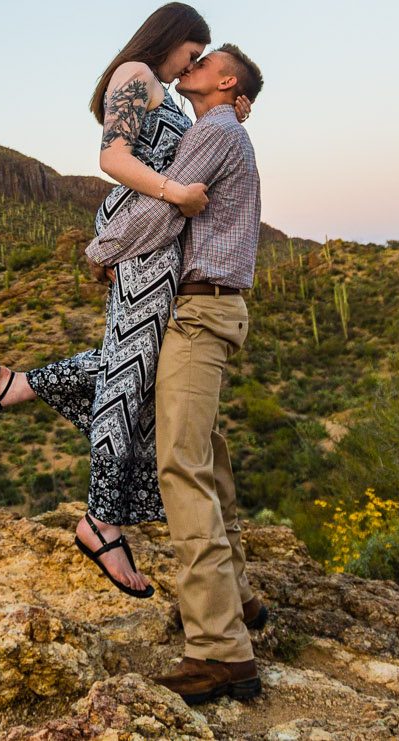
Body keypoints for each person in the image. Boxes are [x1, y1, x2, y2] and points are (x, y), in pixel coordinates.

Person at [0, 3, 245, 598]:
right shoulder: (133, 76)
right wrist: (175, 193)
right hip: (142, 236)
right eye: (194, 52)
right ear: (174, 37)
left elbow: (198, 149)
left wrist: (231, 111)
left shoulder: (164, 92)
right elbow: (111, 159)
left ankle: (19, 386)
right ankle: (101, 522)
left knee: (140, 370)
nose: (194, 63)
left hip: (160, 240)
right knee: (131, 374)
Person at [86, 42, 265, 706]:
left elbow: (163, 209)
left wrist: (101, 250)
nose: (186, 68)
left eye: (201, 61)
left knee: (182, 467)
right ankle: (238, 602)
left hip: (196, 314)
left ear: (223, 80)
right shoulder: (226, 127)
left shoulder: (214, 129)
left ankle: (219, 652)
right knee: (210, 459)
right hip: (215, 310)